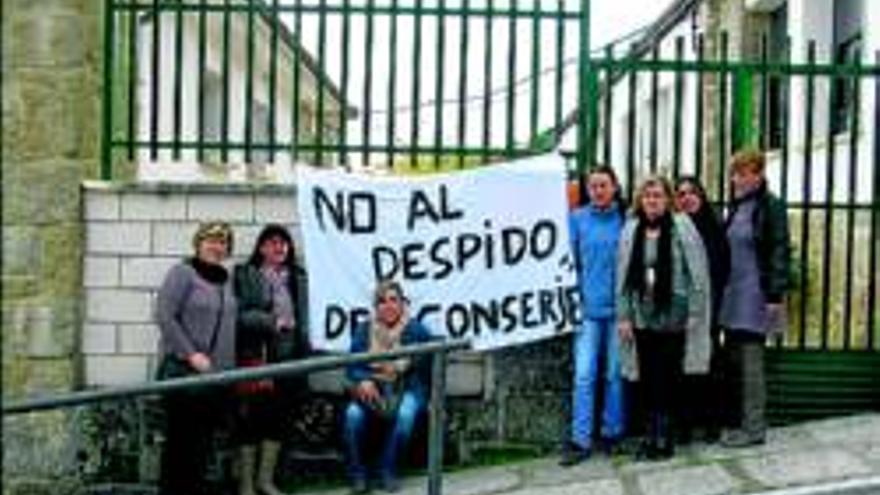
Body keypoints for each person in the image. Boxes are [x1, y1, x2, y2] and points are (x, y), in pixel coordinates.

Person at [617, 175, 711, 460]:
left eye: (658, 195)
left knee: (668, 381)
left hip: (674, 316)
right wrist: (623, 316)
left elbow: (698, 273)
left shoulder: (683, 226)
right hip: (642, 317)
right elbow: (621, 277)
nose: (652, 201)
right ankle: (650, 437)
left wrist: (695, 313)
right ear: (640, 200)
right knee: (645, 381)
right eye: (647, 196)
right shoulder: (631, 229)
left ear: (668, 199)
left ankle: (664, 439)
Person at [155, 221, 237, 495]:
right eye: (211, 240)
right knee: (180, 445)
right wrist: (191, 354)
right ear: (198, 243)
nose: (217, 246)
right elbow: (164, 316)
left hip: (215, 379)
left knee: (202, 446)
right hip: (184, 374)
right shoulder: (183, 273)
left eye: (223, 241)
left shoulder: (226, 279)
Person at [719, 149, 790, 448]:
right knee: (735, 362)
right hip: (733, 294)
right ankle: (743, 422)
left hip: (756, 295)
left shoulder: (770, 206)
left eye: (742, 173)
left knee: (751, 362)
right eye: (734, 173)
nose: (736, 178)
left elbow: (779, 249)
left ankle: (754, 429)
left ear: (758, 174)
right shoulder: (737, 206)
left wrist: (774, 293)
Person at [234, 224, 308, 495]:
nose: (280, 247)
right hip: (259, 358)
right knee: (251, 419)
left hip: (290, 361)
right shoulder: (246, 275)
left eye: (284, 242)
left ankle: (265, 481)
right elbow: (239, 315)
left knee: (279, 420)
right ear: (261, 247)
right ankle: (246, 484)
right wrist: (271, 321)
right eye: (273, 242)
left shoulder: (299, 277)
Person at [560, 165, 627, 466]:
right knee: (584, 375)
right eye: (593, 186)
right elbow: (567, 263)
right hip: (586, 311)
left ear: (614, 187)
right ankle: (580, 439)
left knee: (614, 374)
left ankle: (612, 432)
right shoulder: (576, 219)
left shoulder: (626, 220)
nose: (598, 191)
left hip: (619, 312)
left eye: (604, 185)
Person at [343, 280, 433, 494]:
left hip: (407, 388)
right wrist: (363, 379)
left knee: (405, 415)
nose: (388, 306)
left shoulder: (417, 330)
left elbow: (426, 368)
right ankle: (358, 473)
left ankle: (388, 469)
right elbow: (352, 366)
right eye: (382, 301)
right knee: (352, 415)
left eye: (394, 300)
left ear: (402, 303)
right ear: (376, 306)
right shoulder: (364, 329)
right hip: (373, 389)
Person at [675, 177, 731, 442]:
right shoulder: (674, 229)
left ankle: (712, 423)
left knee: (710, 366)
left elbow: (723, 269)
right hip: (682, 311)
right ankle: (685, 424)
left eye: (692, 192)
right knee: (683, 368)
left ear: (701, 195)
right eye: (681, 194)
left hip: (710, 307)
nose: (687, 198)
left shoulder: (715, 227)